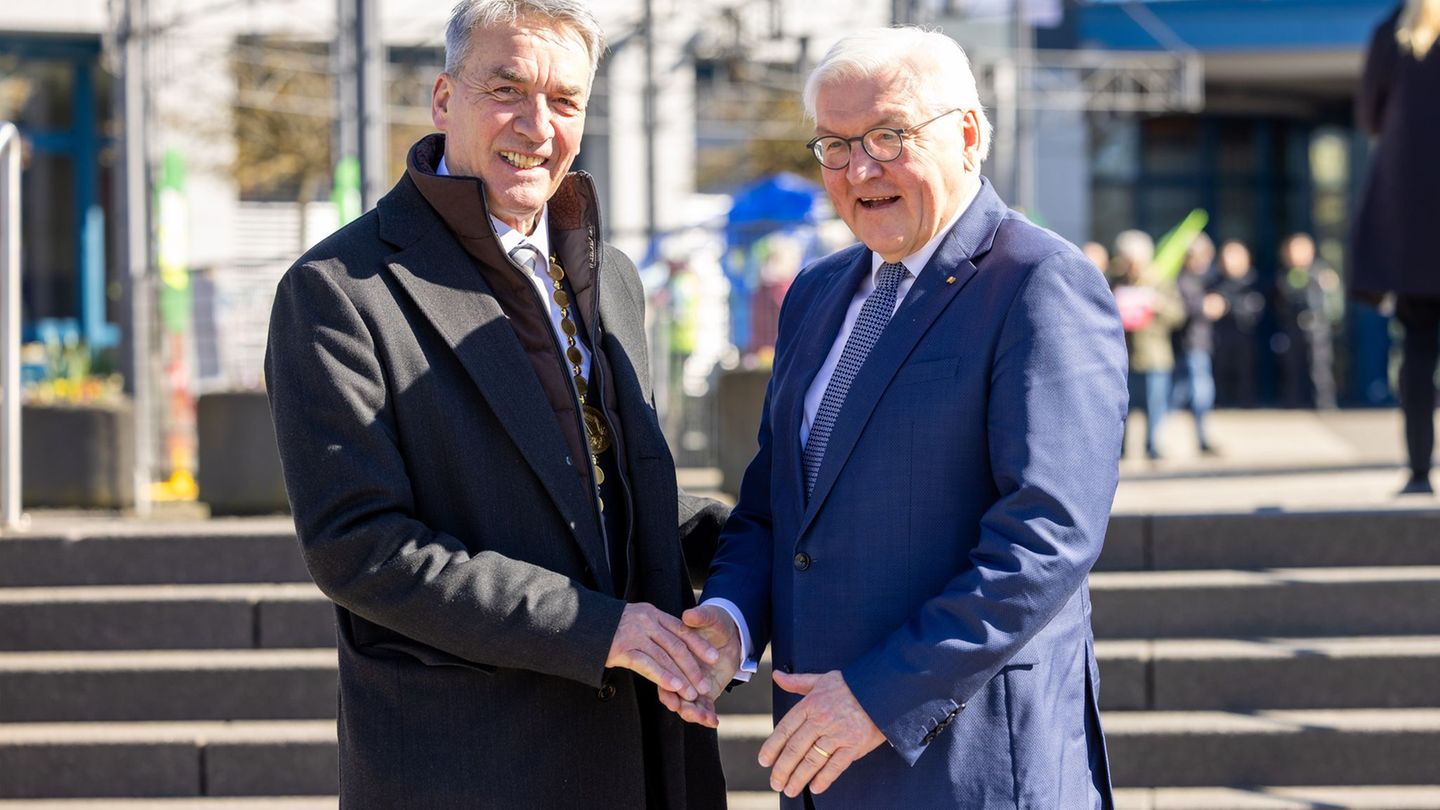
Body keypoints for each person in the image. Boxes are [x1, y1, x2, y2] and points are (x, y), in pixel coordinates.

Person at [264, 1, 729, 806]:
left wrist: (757, 561)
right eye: (507, 89)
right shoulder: (337, 290)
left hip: (644, 759)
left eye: (566, 101)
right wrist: (600, 629)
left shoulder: (610, 272)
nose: (537, 125)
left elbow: (600, 489)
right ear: (444, 100)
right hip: (473, 764)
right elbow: (359, 547)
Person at [674, 27, 1127, 807]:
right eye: (836, 146)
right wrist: (728, 619)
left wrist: (880, 697)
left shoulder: (1039, 282)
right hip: (823, 761)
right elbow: (776, 505)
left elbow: (1047, 537)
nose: (860, 169)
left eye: (889, 136)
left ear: (968, 136)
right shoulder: (816, 294)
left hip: (969, 764)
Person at [1352, 0, 1440, 495]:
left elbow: (1370, 115)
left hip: (1413, 230)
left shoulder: (1393, 32)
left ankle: (1420, 471)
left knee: (1418, 354)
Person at [1112, 229, 1184, 460]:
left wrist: (1158, 304)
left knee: (1155, 406)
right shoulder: (1114, 281)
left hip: (1155, 356)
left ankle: (1153, 445)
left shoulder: (1160, 281)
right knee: (1122, 407)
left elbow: (1178, 315)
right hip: (1124, 357)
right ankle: (1121, 448)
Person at [1172, 232, 1224, 453]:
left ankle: (1200, 437)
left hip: (1202, 342)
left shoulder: (1207, 278)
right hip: (1191, 344)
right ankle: (1197, 437)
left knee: (1183, 391)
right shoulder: (1183, 279)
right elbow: (1187, 309)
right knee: (1199, 392)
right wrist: (1205, 306)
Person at [1277, 233, 1340, 409]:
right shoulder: (1286, 275)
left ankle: (1324, 402)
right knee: (1293, 367)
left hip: (1318, 327)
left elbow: (1333, 297)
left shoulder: (1321, 271)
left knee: (1320, 367)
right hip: (1294, 327)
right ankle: (1293, 401)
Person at [1210, 239, 1265, 407]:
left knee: (1245, 370)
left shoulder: (1253, 281)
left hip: (1246, 334)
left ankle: (1245, 401)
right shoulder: (1214, 281)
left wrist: (1227, 306)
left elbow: (1256, 307)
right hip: (1221, 335)